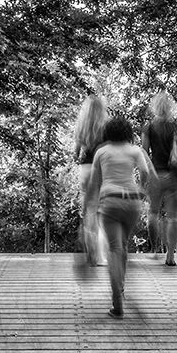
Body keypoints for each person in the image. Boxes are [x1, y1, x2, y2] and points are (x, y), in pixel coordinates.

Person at [89, 114, 154, 318]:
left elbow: (94, 182)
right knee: (124, 246)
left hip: (109, 201)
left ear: (108, 133)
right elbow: (145, 173)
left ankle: (117, 302)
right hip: (132, 202)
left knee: (115, 249)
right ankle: (122, 286)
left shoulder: (101, 152)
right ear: (127, 132)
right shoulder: (135, 150)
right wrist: (142, 190)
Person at [141, 91, 177, 266]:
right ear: (170, 107)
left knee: (153, 212)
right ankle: (170, 255)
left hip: (156, 175)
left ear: (155, 106)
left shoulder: (149, 127)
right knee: (173, 216)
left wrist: (145, 177)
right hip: (174, 176)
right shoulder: (176, 126)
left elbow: (144, 153)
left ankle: (154, 250)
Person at [74, 94, 108, 265]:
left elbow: (75, 153)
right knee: (101, 214)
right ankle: (100, 256)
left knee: (89, 212)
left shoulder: (81, 126)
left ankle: (91, 253)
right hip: (100, 170)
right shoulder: (105, 127)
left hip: (84, 169)